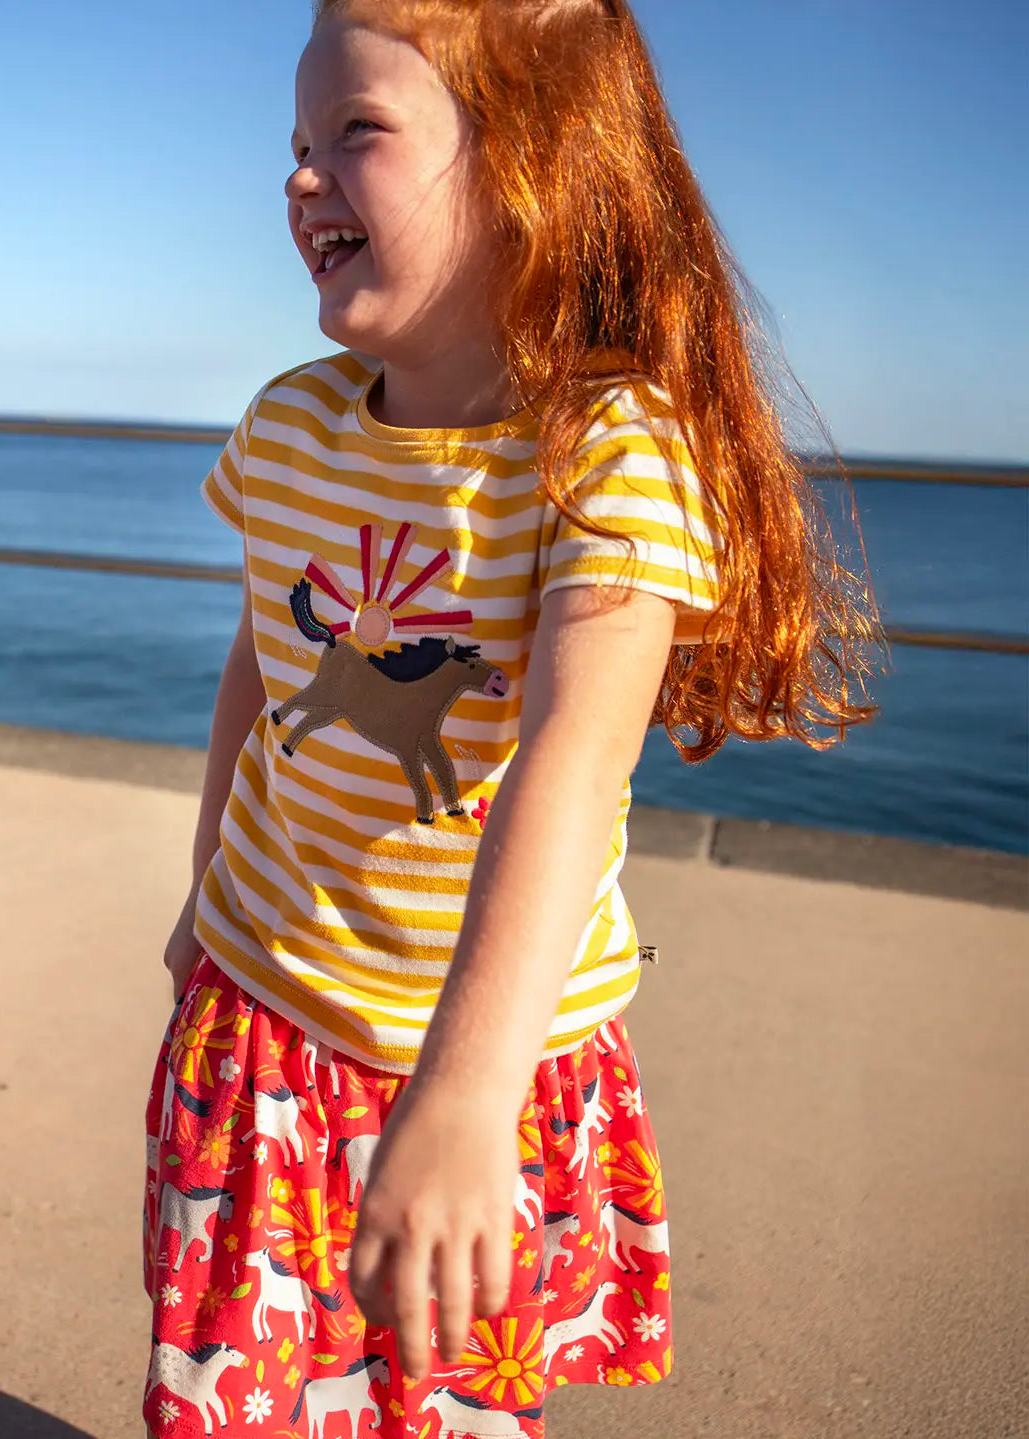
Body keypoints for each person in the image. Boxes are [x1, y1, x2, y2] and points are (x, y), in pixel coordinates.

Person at [140, 3, 876, 1436]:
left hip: (486, 1041)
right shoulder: (291, 425)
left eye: (354, 130)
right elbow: (264, 674)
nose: (299, 176)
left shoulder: (611, 453)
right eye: (294, 143)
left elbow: (572, 759)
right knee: (233, 1393)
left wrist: (468, 1092)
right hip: (263, 1011)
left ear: (535, 163)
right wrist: (201, 888)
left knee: (443, 1402)